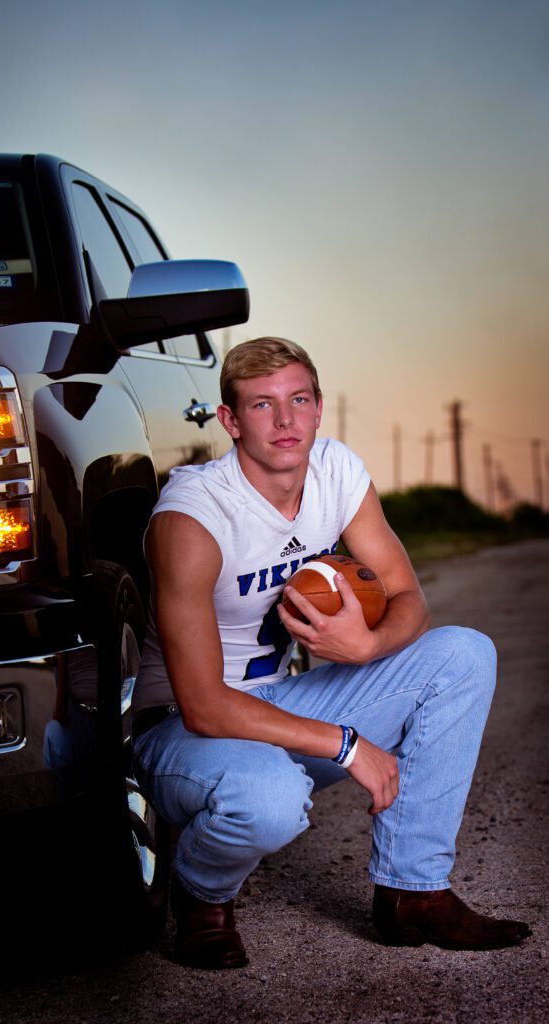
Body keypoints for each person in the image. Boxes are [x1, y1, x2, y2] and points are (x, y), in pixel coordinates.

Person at [131, 337, 530, 969]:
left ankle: (412, 892)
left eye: (298, 400)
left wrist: (365, 643)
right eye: (262, 406)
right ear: (230, 421)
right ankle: (201, 895)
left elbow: (408, 598)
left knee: (463, 653)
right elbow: (205, 706)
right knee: (269, 803)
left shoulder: (336, 471)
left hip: (282, 700)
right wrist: (347, 743)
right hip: (184, 729)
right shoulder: (193, 515)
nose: (285, 421)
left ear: (320, 408)